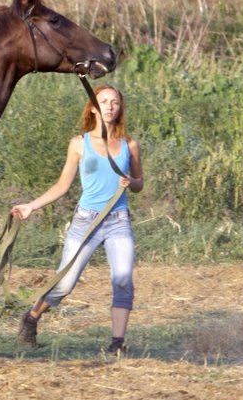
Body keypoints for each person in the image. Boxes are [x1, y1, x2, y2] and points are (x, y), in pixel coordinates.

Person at [10, 84, 144, 353]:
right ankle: (32, 317)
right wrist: (31, 207)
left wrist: (131, 182)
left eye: (114, 102)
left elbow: (140, 184)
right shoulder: (79, 144)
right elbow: (62, 186)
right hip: (87, 222)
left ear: (120, 108)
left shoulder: (130, 145)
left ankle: (117, 344)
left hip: (118, 221)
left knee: (122, 279)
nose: (109, 106)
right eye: (103, 101)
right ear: (93, 107)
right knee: (65, 283)